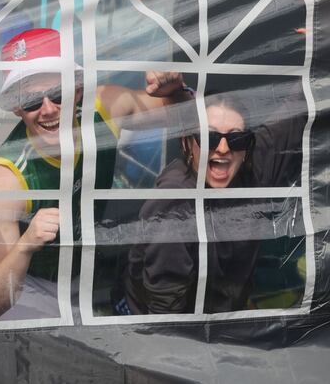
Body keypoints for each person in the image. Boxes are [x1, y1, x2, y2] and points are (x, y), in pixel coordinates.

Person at [0, 28, 187, 320]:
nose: (48, 109)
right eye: (31, 101)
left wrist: (177, 89)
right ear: (17, 109)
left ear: (78, 90)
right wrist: (27, 244)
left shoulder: (103, 110)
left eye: (58, 94)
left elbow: (186, 117)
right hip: (30, 289)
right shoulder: (9, 176)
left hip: (86, 277)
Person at [121, 89, 307, 314]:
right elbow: (165, 316)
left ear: (247, 148)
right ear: (188, 143)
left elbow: (301, 104)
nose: (223, 148)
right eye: (209, 137)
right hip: (162, 323)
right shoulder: (174, 204)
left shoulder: (253, 166)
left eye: (236, 138)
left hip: (223, 314)